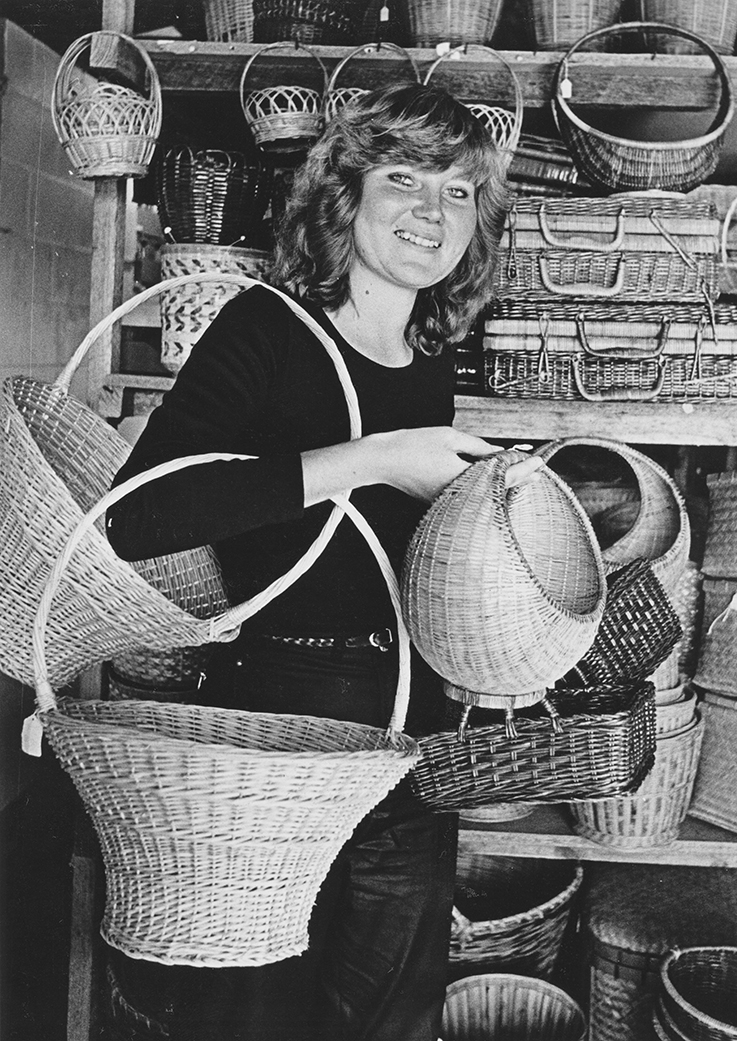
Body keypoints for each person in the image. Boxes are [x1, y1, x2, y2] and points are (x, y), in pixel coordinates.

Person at [105, 81, 534, 1041]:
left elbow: (384, 551)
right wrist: (374, 458)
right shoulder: (265, 327)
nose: (432, 211)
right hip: (280, 717)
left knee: (391, 1017)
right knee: (250, 1012)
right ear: (346, 194)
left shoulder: (428, 353)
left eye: (459, 191)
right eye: (404, 178)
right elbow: (137, 515)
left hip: (412, 722)